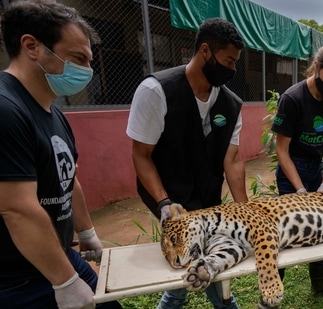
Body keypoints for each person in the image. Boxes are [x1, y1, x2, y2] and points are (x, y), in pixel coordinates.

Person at [0, 1, 121, 308]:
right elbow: (17, 210)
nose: (87, 71)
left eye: (90, 61)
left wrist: (87, 232)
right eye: (78, 58)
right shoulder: (6, 110)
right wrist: (65, 281)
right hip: (18, 280)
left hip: (58, 255)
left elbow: (69, 178)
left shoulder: (54, 113)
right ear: (32, 47)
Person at [126, 17, 248, 309]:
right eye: (228, 61)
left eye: (235, 63)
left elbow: (232, 160)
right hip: (173, 202)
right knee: (202, 266)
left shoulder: (231, 105)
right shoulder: (157, 91)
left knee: (188, 271)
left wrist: (247, 214)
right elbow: (140, 155)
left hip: (208, 199)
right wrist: (164, 203)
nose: (232, 69)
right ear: (205, 51)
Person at [270, 42, 323, 295]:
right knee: (286, 231)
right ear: (316, 67)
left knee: (322, 227)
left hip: (316, 170)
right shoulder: (292, 99)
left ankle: (320, 283)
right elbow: (281, 150)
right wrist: (299, 190)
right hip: (291, 171)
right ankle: (273, 288)